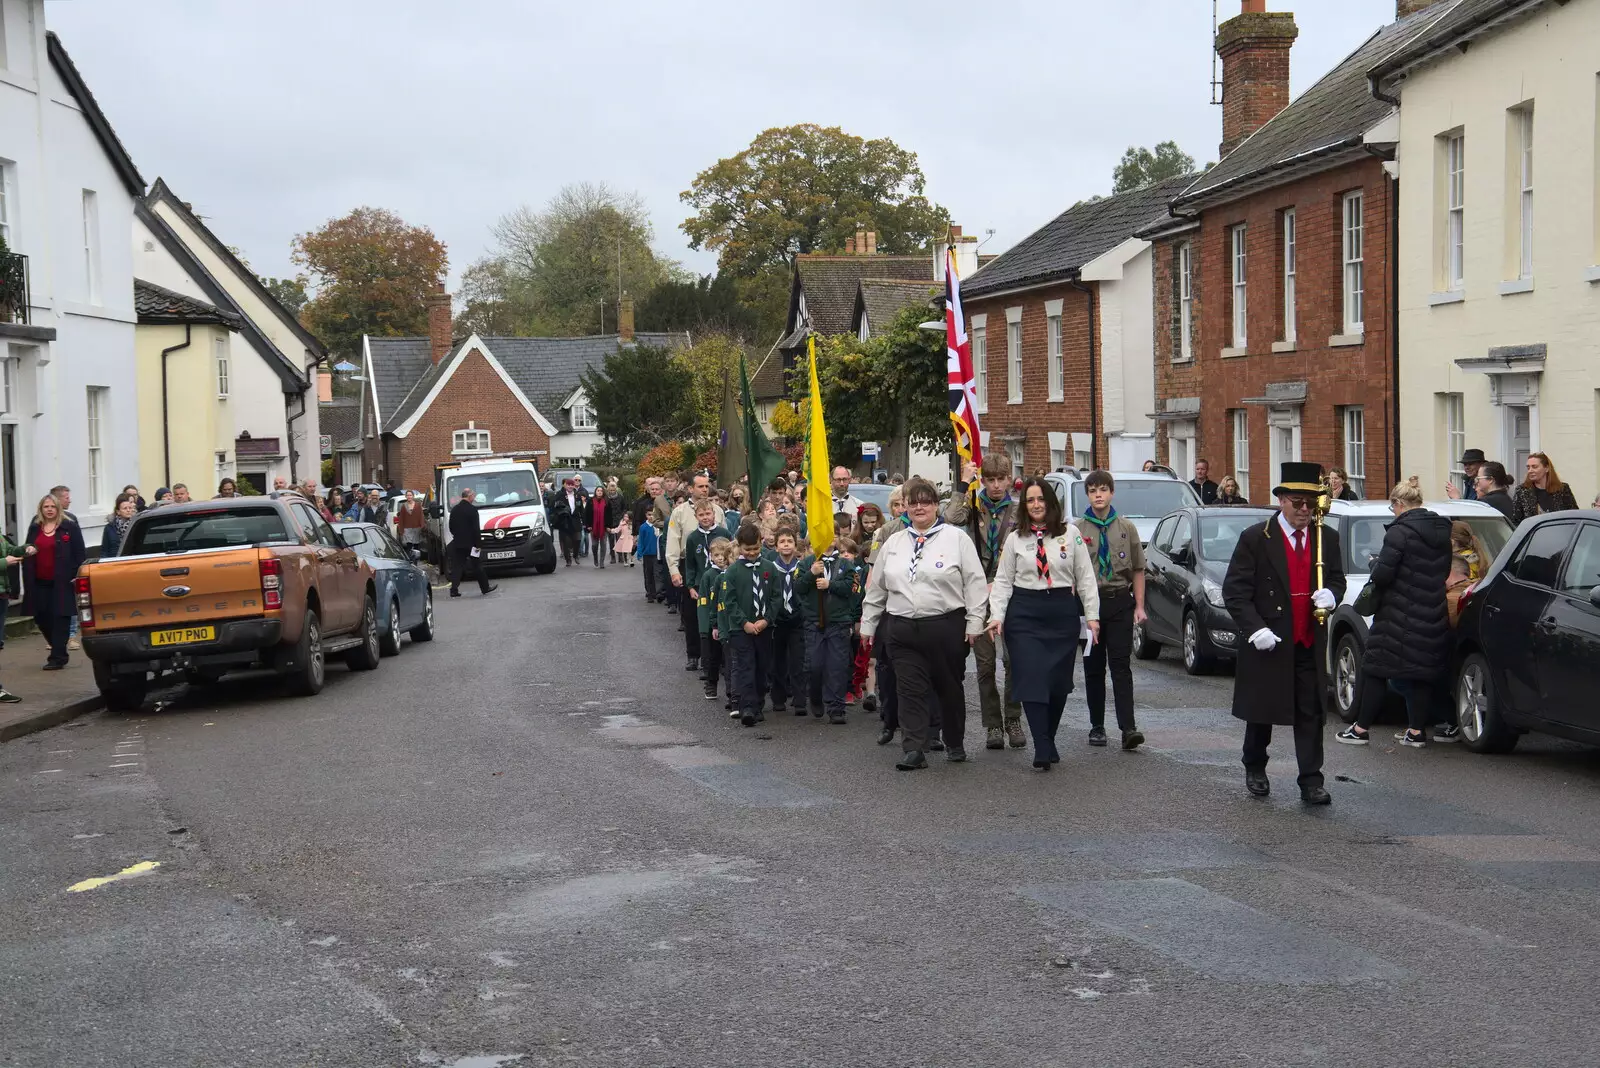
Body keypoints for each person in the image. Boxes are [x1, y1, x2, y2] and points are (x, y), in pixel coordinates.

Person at [1223, 462, 1346, 804]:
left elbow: (1336, 578)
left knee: (1311, 712)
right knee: (1262, 711)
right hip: (1269, 639)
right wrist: (1255, 629)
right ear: (1281, 500)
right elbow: (1235, 592)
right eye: (1297, 501)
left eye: (1310, 502)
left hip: (1307, 640)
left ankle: (1311, 780)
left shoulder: (1327, 537)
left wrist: (1332, 595)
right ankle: (1255, 767)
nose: (1304, 509)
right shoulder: (1256, 538)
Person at [861, 476, 988, 771]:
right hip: (902, 629)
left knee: (948, 688)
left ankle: (954, 741)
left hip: (946, 627)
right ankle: (913, 748)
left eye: (925, 502)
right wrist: (868, 624)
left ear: (935, 505)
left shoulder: (956, 539)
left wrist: (974, 623)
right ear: (905, 506)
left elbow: (975, 584)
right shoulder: (893, 542)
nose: (919, 508)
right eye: (913, 502)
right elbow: (877, 587)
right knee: (909, 689)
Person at [988, 479, 1100, 770]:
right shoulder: (1015, 538)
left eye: (1041, 499)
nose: (1036, 505)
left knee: (1057, 683)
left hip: (1061, 611)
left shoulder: (1070, 534)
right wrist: (996, 615)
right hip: (1024, 613)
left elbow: (1085, 577)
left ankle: (1048, 737)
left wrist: (1092, 616)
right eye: (1030, 500)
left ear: (1051, 503)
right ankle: (1041, 744)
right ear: (1024, 506)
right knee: (1032, 677)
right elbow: (1003, 581)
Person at [1335, 477, 1452, 748]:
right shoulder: (1442, 531)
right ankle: (1415, 732)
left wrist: (1376, 564)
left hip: (1397, 613)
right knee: (1420, 672)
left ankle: (1361, 729)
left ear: (1399, 504)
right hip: (1432, 611)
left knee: (1376, 669)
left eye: (1393, 508)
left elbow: (1385, 574)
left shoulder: (1399, 533)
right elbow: (1442, 572)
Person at [943, 456, 1025, 750]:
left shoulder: (1019, 510)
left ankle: (1013, 718)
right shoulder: (973, 507)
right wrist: (964, 483)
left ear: (1008, 479)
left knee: (1013, 661)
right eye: (989, 480)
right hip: (977, 593)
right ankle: (993, 724)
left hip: (1011, 592)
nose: (994, 485)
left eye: (1000, 479)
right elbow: (950, 519)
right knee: (985, 664)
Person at [1074, 470, 1150, 750]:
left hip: (1119, 601)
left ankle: (1128, 727)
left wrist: (1139, 606)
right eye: (1093, 490)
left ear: (1111, 493)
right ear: (1087, 494)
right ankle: (1097, 726)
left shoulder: (1125, 528)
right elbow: (1071, 573)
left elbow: (1138, 570)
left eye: (1103, 489)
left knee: (1121, 666)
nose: (1098, 495)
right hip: (1088, 606)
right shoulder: (1078, 529)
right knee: (1094, 667)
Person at [795, 532, 865, 725]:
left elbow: (851, 588)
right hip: (814, 623)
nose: (829, 540)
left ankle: (836, 707)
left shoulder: (845, 564)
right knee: (815, 665)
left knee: (837, 666)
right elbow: (798, 588)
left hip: (838, 622)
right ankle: (816, 696)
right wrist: (811, 574)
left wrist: (830, 584)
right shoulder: (806, 563)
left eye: (832, 535)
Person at [723, 522, 779, 727]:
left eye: (756, 548)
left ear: (761, 544)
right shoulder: (732, 572)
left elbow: (776, 597)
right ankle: (747, 707)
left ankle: (758, 705)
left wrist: (766, 620)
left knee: (762, 667)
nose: (752, 553)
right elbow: (729, 601)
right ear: (739, 547)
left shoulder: (769, 568)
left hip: (764, 628)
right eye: (748, 550)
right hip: (741, 629)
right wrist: (744, 622)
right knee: (746, 665)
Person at [24, 495, 86, 669]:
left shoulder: (69, 527)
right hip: (39, 581)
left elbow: (80, 553)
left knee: (61, 617)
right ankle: (59, 645)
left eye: (52, 506)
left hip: (63, 581)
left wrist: (77, 574)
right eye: (46, 507)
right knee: (41, 617)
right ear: (41, 509)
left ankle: (58, 657)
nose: (49, 509)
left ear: (58, 508)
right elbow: (28, 548)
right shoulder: (35, 527)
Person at [767, 521, 808, 714]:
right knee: (777, 662)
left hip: (797, 620)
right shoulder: (771, 568)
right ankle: (778, 699)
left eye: (789, 541)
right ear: (776, 546)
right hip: (777, 620)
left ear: (795, 545)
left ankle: (800, 701)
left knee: (798, 662)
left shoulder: (801, 568)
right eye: (782, 541)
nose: (785, 544)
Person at [683, 500, 723, 671]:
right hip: (700, 585)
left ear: (714, 514)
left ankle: (721, 659)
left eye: (708, 514)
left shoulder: (724, 533)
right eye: (701, 515)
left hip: (720, 582)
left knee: (720, 619)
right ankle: (694, 655)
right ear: (695, 517)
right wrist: (691, 586)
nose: (705, 517)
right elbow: (690, 564)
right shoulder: (692, 538)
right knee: (696, 621)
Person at [697, 537, 732, 702]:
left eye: (723, 555)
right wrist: (706, 626)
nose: (720, 558)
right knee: (713, 657)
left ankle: (731, 689)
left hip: (728, 623)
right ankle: (711, 684)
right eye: (716, 555)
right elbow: (703, 601)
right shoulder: (708, 575)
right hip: (713, 624)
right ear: (711, 556)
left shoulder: (731, 573)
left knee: (729, 659)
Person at [446, 488, 496, 598]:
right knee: (477, 565)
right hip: (472, 545)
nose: (474, 498)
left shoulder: (455, 510)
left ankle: (454, 590)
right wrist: (478, 545)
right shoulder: (472, 510)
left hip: (458, 543)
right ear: (470, 496)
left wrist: (457, 536)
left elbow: (451, 527)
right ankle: (485, 588)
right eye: (473, 495)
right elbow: (476, 529)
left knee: (457, 567)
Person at [1510, 452, 1579, 524]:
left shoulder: (1562, 489)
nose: (1530, 471)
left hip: (1560, 532)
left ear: (1546, 468)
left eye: (1534, 467)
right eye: (1528, 467)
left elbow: (1575, 515)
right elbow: (1516, 521)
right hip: (1535, 534)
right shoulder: (1522, 491)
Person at [549, 478, 584, 566]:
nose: (570, 486)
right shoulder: (560, 494)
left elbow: (581, 509)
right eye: (568, 485)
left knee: (578, 539)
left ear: (574, 485)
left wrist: (585, 521)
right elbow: (554, 506)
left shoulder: (577, 495)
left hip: (576, 520)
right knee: (566, 542)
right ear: (565, 485)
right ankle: (568, 559)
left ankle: (575, 555)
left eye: (572, 485)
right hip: (565, 521)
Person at [633, 504, 660, 599]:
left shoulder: (658, 526)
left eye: (653, 514)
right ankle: (649, 592)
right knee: (648, 574)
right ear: (646, 515)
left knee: (657, 574)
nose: (651, 517)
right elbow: (641, 542)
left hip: (657, 554)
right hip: (647, 554)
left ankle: (657, 592)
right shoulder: (643, 527)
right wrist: (639, 554)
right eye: (649, 514)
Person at [395, 490, 425, 556]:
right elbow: (401, 518)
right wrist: (401, 530)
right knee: (409, 545)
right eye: (408, 495)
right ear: (406, 496)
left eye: (410, 495)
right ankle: (410, 559)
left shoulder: (418, 505)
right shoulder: (403, 506)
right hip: (407, 528)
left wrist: (422, 526)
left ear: (413, 496)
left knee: (416, 545)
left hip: (416, 528)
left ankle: (416, 560)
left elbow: (421, 516)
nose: (409, 497)